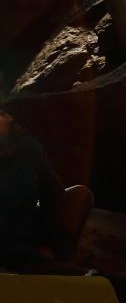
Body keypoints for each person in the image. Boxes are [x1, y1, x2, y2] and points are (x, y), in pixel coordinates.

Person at [0, 106, 94, 273]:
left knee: (80, 196)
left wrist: (47, 242)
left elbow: (53, 194)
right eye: (1, 115)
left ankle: (58, 265)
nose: (8, 117)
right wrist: (37, 259)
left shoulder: (28, 147)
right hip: (7, 248)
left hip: (30, 230)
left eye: (4, 112)